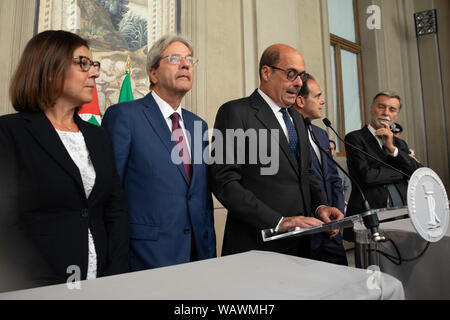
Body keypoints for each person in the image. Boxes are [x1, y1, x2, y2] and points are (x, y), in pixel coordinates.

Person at [0, 30, 129, 292]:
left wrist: (115, 275)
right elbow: (6, 223)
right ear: (49, 69)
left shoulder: (99, 136)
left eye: (94, 65)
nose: (94, 73)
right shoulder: (9, 132)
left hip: (102, 284)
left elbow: (114, 210)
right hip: (36, 286)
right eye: (83, 63)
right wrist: (44, 287)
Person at [210, 43, 344, 258]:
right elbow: (224, 182)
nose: (299, 83)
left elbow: (305, 172)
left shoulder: (298, 119)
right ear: (266, 72)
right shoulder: (234, 112)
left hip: (301, 243)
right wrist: (278, 222)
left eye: (301, 76)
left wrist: (320, 206)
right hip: (256, 244)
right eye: (292, 74)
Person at [102, 35, 216, 271]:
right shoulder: (124, 117)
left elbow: (201, 199)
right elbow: (110, 195)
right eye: (175, 59)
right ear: (153, 73)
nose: (186, 65)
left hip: (198, 258)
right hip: (145, 259)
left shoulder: (199, 126)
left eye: (189, 60)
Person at [344, 91, 422, 241]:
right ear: (371, 108)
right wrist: (401, 171)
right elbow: (365, 176)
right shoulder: (355, 138)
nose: (385, 113)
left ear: (396, 115)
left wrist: (392, 149)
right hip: (370, 215)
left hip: (401, 213)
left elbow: (417, 172)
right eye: (381, 107)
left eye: (392, 109)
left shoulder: (399, 144)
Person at [293, 74, 347, 265]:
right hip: (307, 231)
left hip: (332, 229)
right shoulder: (287, 134)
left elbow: (334, 179)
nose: (322, 101)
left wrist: (337, 217)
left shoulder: (321, 134)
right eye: (317, 96)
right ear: (300, 100)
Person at [329, 139, 352, 208]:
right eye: (328, 148)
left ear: (334, 151)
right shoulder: (317, 166)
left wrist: (344, 202)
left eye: (332, 149)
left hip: (340, 204)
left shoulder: (341, 166)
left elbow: (348, 186)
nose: (330, 151)